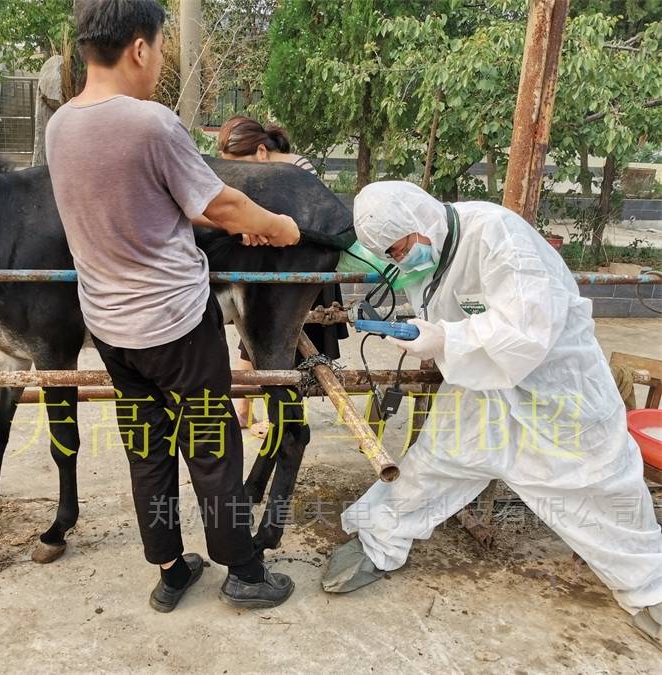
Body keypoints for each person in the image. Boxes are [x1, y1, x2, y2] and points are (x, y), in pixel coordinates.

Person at [321, 181, 662, 644]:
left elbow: (527, 331)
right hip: (482, 387)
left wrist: (444, 339)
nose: (399, 260)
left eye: (399, 248)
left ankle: (650, 588)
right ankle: (379, 539)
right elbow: (451, 312)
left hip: (555, 388)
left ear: (421, 222)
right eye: (390, 254)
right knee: (436, 462)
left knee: (598, 485)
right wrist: (426, 332)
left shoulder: (498, 235)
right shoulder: (429, 253)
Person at [45, 0, 299, 612]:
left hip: (109, 328)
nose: (159, 61)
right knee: (211, 446)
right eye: (159, 48)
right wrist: (283, 226)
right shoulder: (150, 123)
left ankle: (170, 569)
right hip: (176, 329)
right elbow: (226, 208)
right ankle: (241, 569)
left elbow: (133, 200)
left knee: (147, 446)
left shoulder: (60, 127)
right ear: (138, 48)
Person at [216, 116, 348, 435]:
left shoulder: (295, 175)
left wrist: (260, 226)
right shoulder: (275, 171)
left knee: (274, 345)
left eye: (241, 168)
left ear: (261, 152)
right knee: (252, 340)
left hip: (293, 261)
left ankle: (270, 417)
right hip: (264, 257)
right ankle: (246, 408)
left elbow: (299, 229)